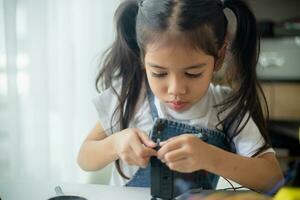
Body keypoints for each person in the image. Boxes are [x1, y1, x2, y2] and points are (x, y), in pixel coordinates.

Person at [77, 0, 283, 192]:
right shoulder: (130, 95)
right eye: (159, 73)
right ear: (142, 57)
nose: (175, 89)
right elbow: (84, 158)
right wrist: (115, 144)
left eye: (193, 73)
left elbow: (273, 178)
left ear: (219, 57)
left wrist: (210, 157)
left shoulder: (227, 107)